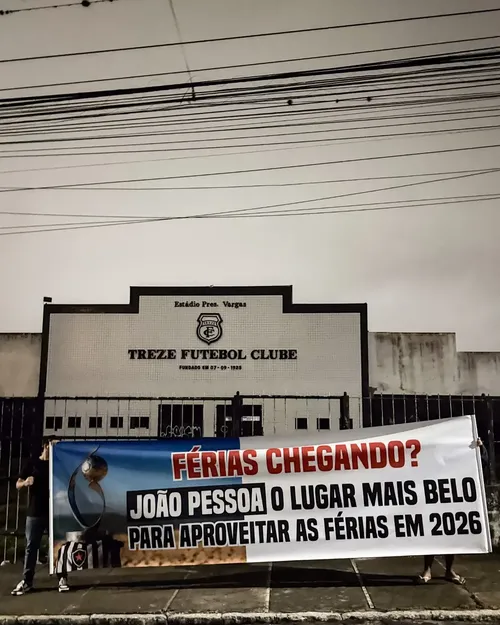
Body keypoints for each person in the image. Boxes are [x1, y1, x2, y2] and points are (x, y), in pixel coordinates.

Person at [417, 437, 488, 585]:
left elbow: (481, 463)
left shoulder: (459, 460)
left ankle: (449, 570)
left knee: (450, 536)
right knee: (432, 534)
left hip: (452, 502)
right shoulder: (432, 460)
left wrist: (480, 448)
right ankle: (427, 569)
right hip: (435, 499)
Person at [11, 436, 70, 595]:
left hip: (54, 511)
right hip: (35, 512)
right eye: (54, 445)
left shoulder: (57, 464)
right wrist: (25, 483)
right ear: (46, 446)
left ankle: (62, 578)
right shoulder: (32, 463)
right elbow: (17, 484)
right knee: (31, 547)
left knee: (58, 546)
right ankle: (27, 581)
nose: (56, 449)